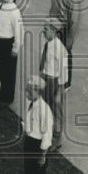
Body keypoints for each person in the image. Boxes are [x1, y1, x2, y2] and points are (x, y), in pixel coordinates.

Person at [21, 75, 52, 174]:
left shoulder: (44, 110)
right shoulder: (33, 104)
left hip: (37, 147)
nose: (27, 94)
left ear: (37, 92)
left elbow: (46, 136)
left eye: (29, 91)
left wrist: (42, 156)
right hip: (30, 142)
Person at [49, 0, 80, 90]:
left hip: (63, 30)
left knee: (65, 55)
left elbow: (74, 20)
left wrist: (70, 39)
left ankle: (66, 83)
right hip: (54, 28)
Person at [39, 19, 68, 153]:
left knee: (56, 111)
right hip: (46, 80)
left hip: (55, 82)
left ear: (54, 31)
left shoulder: (61, 50)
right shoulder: (47, 44)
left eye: (46, 29)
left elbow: (63, 72)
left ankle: (57, 140)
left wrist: (58, 93)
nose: (43, 32)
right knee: (45, 108)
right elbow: (44, 62)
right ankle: (46, 134)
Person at [0, 0, 22, 106]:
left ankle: (7, 97)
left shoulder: (14, 11)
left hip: (7, 44)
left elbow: (18, 31)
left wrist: (15, 48)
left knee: (7, 72)